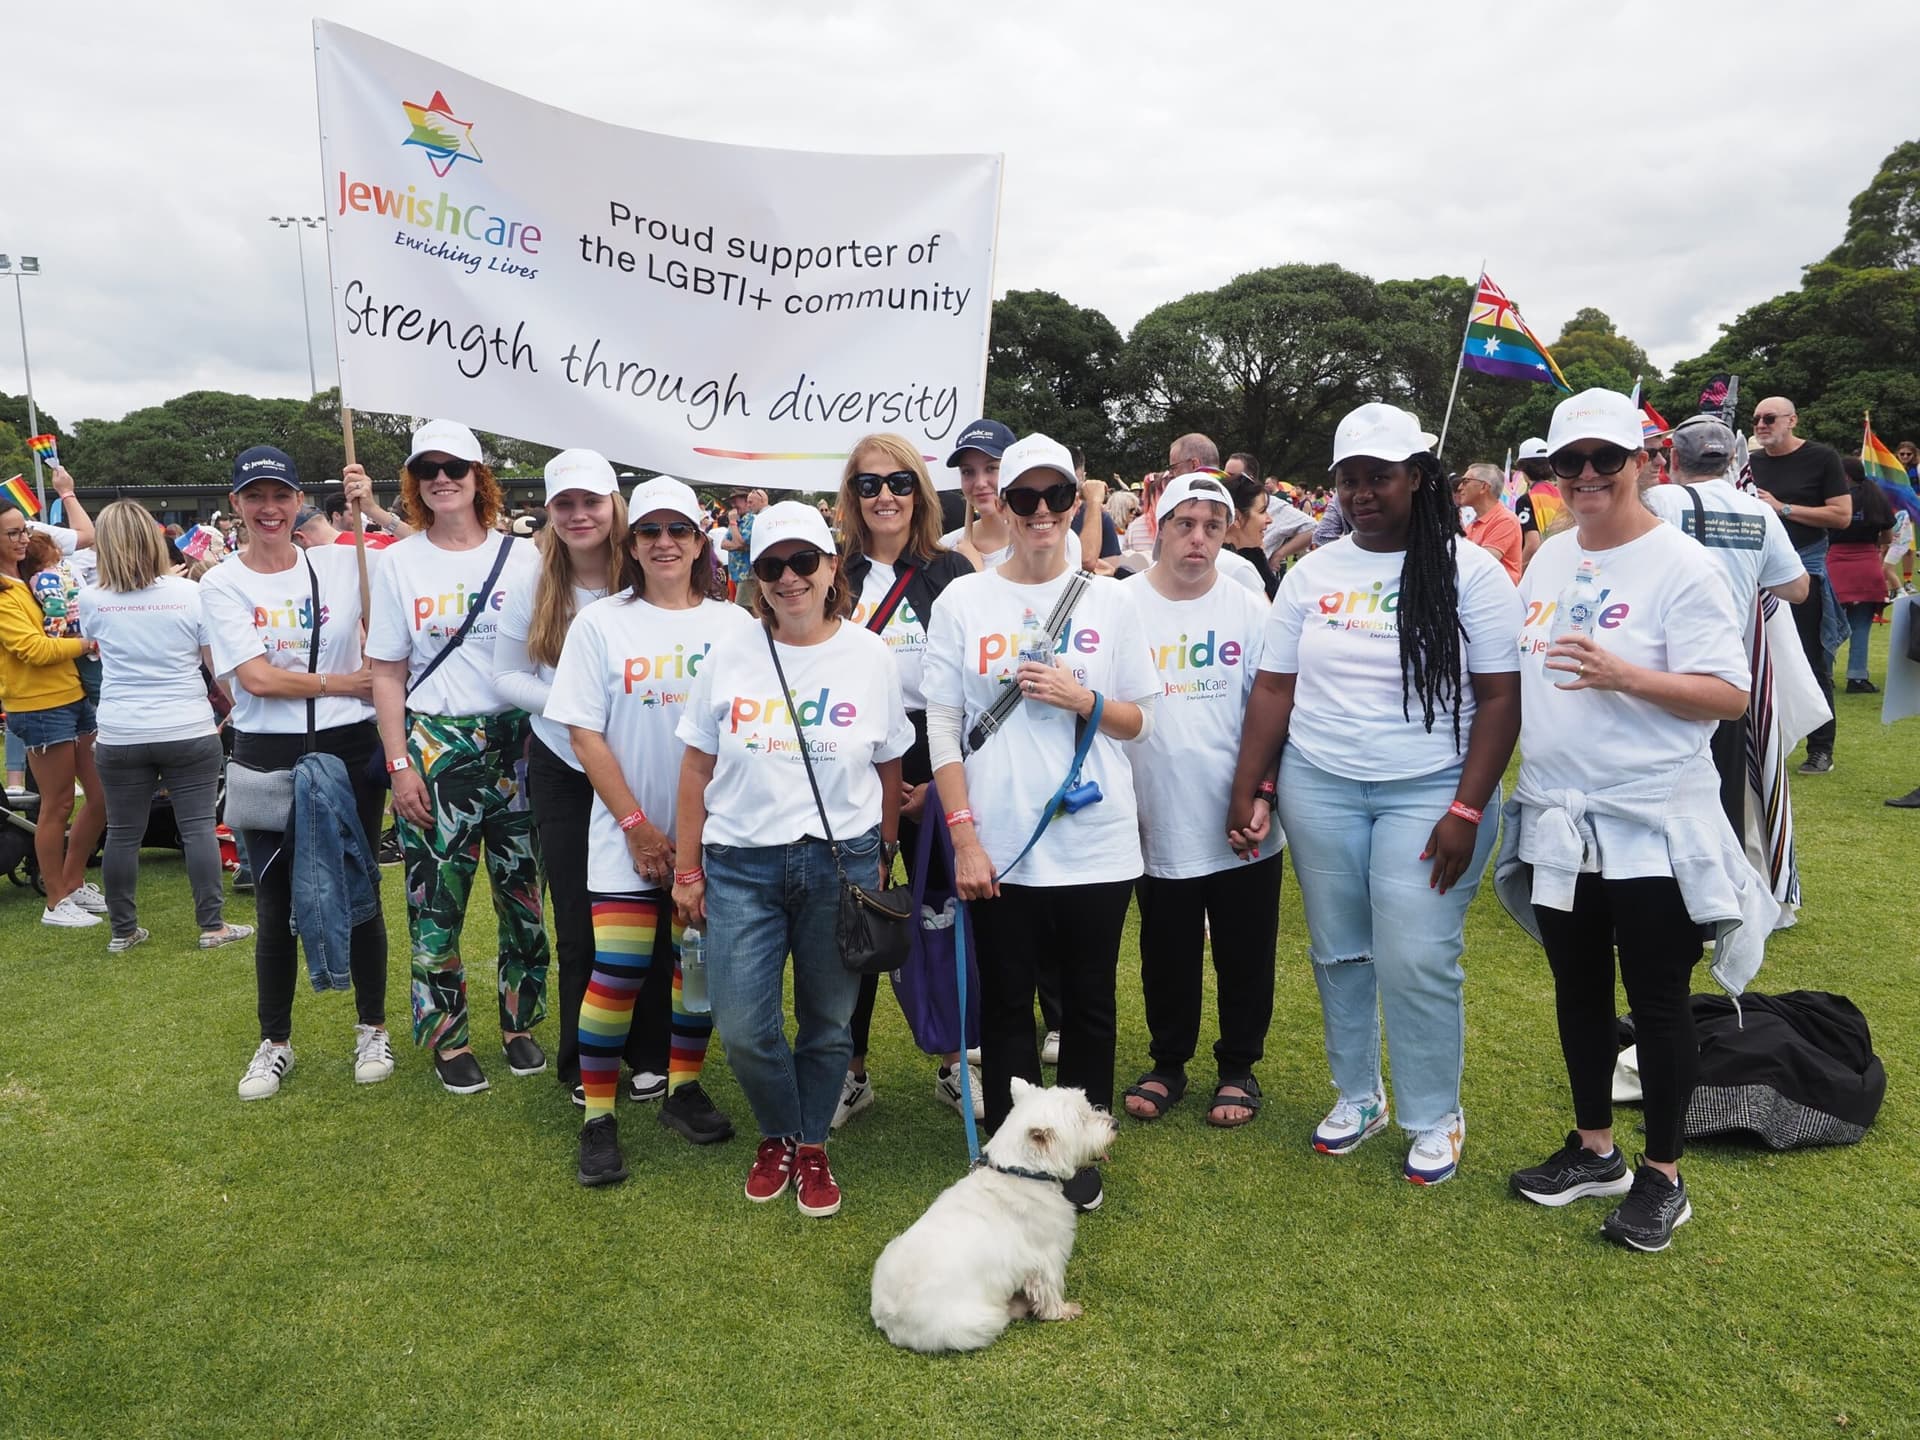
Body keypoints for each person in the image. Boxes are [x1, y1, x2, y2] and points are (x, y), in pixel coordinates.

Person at [1227, 402, 1522, 1186]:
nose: (1362, 493)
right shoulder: (1313, 571)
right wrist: (1253, 784)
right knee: (1340, 950)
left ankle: (1434, 1114)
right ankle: (1358, 1095)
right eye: (1349, 479)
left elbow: (1499, 699)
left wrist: (1465, 808)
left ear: (1418, 479)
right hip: (1318, 784)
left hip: (1431, 790)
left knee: (1418, 952)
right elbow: (1273, 689)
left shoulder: (1472, 570)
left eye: (1379, 478)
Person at [1503, 388, 1752, 1253]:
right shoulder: (1547, 558)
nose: (1585, 477)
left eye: (1605, 459)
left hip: (1650, 818)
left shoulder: (1684, 566)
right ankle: (1594, 1147)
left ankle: (1665, 1175)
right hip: (1561, 818)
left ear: (1644, 462)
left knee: (1656, 998)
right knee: (1577, 987)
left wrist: (1627, 677)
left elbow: (1728, 693)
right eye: (1568, 462)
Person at [924, 433, 1159, 1213]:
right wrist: (962, 836)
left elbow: (1140, 722)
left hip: (1096, 842)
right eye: (1023, 498)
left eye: (1056, 497)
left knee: (1090, 1002)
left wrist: (1081, 698)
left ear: (1076, 501)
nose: (1040, 513)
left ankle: (1078, 1153)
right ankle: (1014, 1153)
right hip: (1002, 843)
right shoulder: (965, 599)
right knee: (1006, 1004)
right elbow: (944, 727)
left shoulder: (1113, 601)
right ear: (1000, 502)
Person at [670, 501, 909, 1218]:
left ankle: (808, 1145)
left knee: (828, 1023)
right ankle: (779, 1128)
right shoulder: (730, 652)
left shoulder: (871, 656)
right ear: (756, 578)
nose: (790, 578)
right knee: (744, 1028)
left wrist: (885, 853)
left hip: (840, 862)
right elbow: (695, 767)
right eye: (773, 566)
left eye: (804, 561)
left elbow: (891, 764)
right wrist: (687, 870)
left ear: (832, 566)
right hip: (741, 862)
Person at [547, 476, 750, 1186]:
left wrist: (688, 843)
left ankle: (682, 1088)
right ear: (630, 544)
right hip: (625, 837)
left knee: (695, 976)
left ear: (701, 541)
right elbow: (583, 732)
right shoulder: (602, 622)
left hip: (712, 838)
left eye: (679, 531)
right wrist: (637, 826)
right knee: (620, 973)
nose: (664, 544)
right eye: (650, 533)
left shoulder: (735, 625)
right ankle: (597, 1119)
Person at [200, 447, 391, 1100]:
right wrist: (346, 681)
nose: (269, 509)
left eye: (280, 495)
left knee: (358, 889)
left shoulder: (343, 559)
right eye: (256, 497)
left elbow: (440, 554)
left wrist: (375, 509)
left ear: (299, 500)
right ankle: (275, 1041)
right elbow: (254, 678)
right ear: (237, 506)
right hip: (266, 753)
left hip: (346, 749)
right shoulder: (221, 581)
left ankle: (373, 1027)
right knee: (277, 900)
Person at [364, 420, 548, 1096]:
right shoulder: (400, 562)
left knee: (524, 900)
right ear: (414, 482)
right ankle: (447, 1037)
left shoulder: (525, 558)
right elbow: (385, 670)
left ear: (480, 476)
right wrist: (397, 763)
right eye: (428, 468)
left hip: (520, 745)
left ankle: (521, 1025)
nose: (443, 478)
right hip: (434, 746)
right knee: (435, 904)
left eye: (455, 467)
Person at [493, 449, 669, 1113]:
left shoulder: (648, 570)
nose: (578, 515)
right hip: (564, 768)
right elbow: (505, 676)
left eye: (590, 502)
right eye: (564, 504)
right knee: (579, 920)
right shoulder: (534, 580)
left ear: (613, 506)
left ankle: (651, 1055)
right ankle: (582, 1060)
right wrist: (575, 706)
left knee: (649, 907)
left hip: (641, 765)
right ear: (549, 512)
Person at [1123, 473, 1281, 1128]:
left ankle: (1239, 1066)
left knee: (1246, 947)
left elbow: (1274, 712)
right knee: (1167, 948)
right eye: (1184, 525)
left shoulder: (1249, 608)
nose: (1197, 539)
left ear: (1227, 533)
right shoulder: (1121, 605)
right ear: (1157, 527)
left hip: (1240, 816)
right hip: (1154, 811)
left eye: (1212, 527)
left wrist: (1263, 795)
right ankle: (1168, 1062)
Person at [831, 433, 979, 1128]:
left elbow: (976, 688)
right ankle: (850, 1073)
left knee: (944, 919)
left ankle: (955, 1062)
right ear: (851, 497)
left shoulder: (953, 572)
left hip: (937, 757)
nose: (884, 496)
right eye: (869, 485)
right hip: (852, 763)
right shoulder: (831, 574)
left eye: (898, 483)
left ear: (919, 492)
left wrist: (939, 783)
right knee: (857, 916)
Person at [79, 501, 247, 953]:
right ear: (154, 540)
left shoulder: (92, 598)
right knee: (196, 827)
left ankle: (123, 930)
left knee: (122, 832)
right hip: (186, 726)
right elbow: (217, 667)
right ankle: (212, 926)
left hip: (121, 731)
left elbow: (96, 649)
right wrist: (238, 709)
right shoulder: (189, 593)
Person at [1641, 416, 1808, 838]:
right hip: (1729, 676)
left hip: (1660, 669)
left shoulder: (1659, 501)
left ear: (1674, 457)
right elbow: (1796, 588)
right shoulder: (1758, 512)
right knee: (1724, 796)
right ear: (1733, 459)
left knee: (1660, 795)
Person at [0, 507, 106, 926]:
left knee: (101, 797)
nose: (23, 539)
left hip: (72, 697)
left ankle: (72, 881)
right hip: (39, 705)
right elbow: (35, 649)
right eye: (13, 533)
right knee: (58, 804)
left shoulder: (26, 582)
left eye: (23, 530)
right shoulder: (7, 593)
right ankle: (56, 900)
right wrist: (87, 644)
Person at [1748, 397, 1850, 774]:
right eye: (1757, 418)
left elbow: (1841, 516)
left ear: (1792, 420)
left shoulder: (1821, 458)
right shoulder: (1749, 463)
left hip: (1802, 570)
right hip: (1754, 571)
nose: (1761, 424)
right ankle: (1758, 743)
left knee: (1810, 660)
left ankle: (1820, 748)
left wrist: (1783, 508)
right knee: (1753, 657)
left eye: (1770, 418)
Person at [1829, 457, 1895, 694]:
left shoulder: (1834, 499)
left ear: (1844, 476)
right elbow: (1887, 538)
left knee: (1830, 625)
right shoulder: (1876, 497)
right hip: (1868, 563)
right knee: (1861, 625)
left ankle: (1823, 674)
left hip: (1836, 563)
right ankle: (1857, 677)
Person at [1455, 462, 1525, 582]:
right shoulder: (1473, 524)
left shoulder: (1506, 521)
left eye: (1466, 481)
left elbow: (1480, 564)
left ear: (1484, 487)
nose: (1460, 487)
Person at [1220, 470, 1279, 597]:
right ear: (1237, 518)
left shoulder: (1254, 556)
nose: (1269, 520)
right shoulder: (1236, 569)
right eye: (1262, 511)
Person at [1512, 438, 1559, 569]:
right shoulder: (1561, 494)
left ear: (1522, 468)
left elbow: (1532, 544)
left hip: (1541, 566)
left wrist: (1519, 571)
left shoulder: (1526, 500)